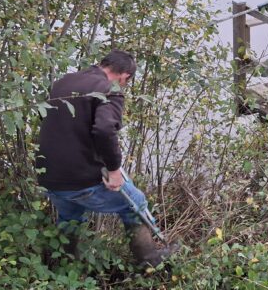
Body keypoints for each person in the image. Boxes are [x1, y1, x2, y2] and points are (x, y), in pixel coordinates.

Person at [35, 50, 176, 266]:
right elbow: (104, 129)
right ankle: (150, 263)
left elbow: (48, 118)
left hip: (49, 176)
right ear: (125, 76)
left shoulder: (63, 82)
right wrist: (113, 170)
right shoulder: (109, 90)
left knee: (69, 217)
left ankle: (63, 270)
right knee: (135, 203)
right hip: (80, 178)